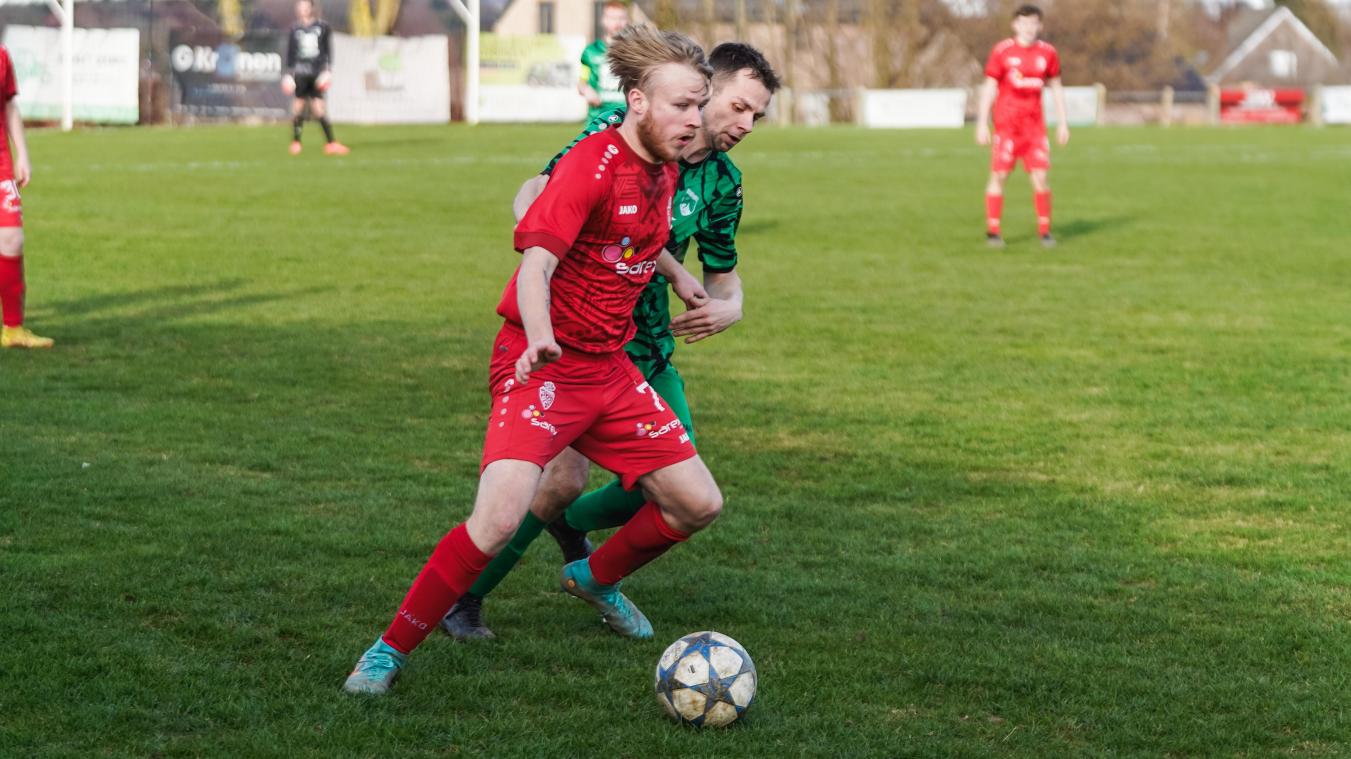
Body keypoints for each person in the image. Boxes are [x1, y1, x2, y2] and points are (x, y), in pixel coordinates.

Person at [343, 24, 720, 696]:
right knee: (494, 519)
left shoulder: (664, 166)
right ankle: (386, 651)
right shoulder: (589, 164)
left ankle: (590, 576)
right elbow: (536, 264)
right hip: (539, 362)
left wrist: (675, 276)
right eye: (680, 105)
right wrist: (542, 335)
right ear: (636, 101)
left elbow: (633, 235)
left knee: (697, 502)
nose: (694, 120)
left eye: (699, 105)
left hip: (610, 369)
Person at [441, 43, 780, 641]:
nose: (745, 125)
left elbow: (722, 274)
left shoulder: (724, 183)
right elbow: (539, 193)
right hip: (582, 335)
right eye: (738, 107)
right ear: (705, 92)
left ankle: (580, 556)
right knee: (562, 478)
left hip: (648, 347)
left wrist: (732, 308)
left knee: (674, 490)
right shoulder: (618, 132)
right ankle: (464, 598)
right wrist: (543, 241)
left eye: (758, 116)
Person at [975, 3, 1068, 248]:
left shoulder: (1048, 53)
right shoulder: (1002, 52)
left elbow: (1057, 88)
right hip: (1006, 126)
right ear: (1015, 25)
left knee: (1040, 177)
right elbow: (990, 87)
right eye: (1024, 22)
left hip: (1035, 128)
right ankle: (993, 232)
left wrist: (1063, 123)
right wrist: (982, 123)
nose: (1029, 27)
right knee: (1000, 175)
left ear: (1040, 25)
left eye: (1034, 23)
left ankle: (1045, 232)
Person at [0, 44, 48, 350]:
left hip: (1, 162)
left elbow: (9, 105)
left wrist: (23, 154)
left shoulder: (2, 55)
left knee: (12, 239)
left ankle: (13, 328)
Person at [282, 0, 348, 156]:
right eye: (300, 7)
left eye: (306, 6)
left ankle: (331, 143)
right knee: (298, 107)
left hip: (317, 73)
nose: (303, 9)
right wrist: (288, 74)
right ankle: (296, 142)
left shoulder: (322, 27)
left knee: (320, 109)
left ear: (312, 8)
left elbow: (327, 50)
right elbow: (290, 53)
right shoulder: (294, 28)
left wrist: (327, 71)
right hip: (300, 74)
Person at [578, 1, 631, 122]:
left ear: (627, 20)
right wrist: (586, 90)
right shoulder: (590, 52)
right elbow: (582, 82)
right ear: (604, 20)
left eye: (621, 18)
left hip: (626, 117)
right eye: (612, 18)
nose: (617, 23)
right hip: (598, 117)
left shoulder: (634, 52)